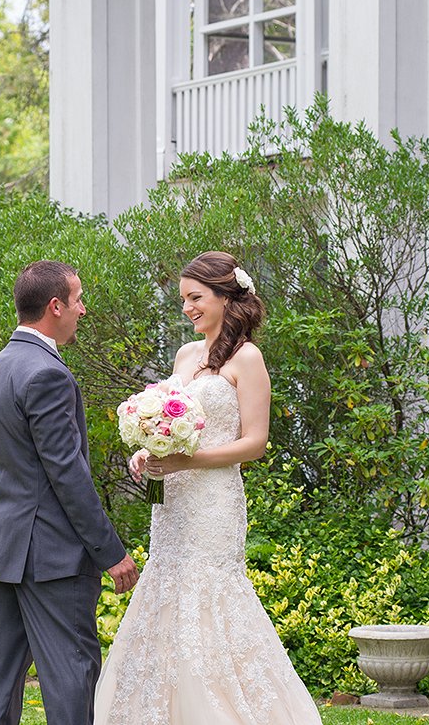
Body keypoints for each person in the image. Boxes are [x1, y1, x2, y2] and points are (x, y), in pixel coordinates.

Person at [94, 251, 322, 724]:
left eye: (195, 297)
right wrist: (148, 450)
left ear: (225, 296)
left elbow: (255, 443)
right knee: (168, 588)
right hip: (173, 502)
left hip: (213, 501)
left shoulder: (248, 358)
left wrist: (186, 459)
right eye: (183, 299)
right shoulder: (186, 355)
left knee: (210, 593)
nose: (187, 308)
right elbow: (173, 420)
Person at [0, 260, 139, 725]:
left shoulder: (0, 365)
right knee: (72, 670)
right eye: (79, 299)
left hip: (8, 545)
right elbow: (67, 474)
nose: (83, 310)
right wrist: (109, 552)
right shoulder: (47, 374)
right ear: (54, 305)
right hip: (51, 553)